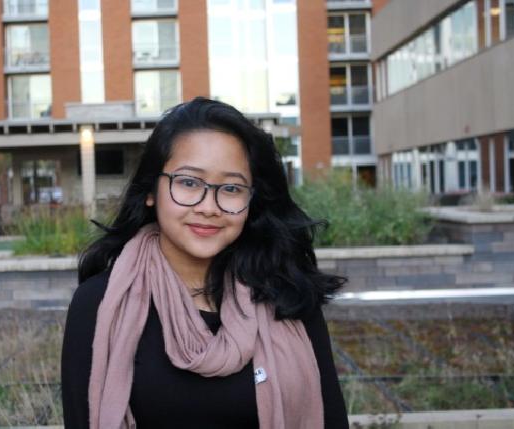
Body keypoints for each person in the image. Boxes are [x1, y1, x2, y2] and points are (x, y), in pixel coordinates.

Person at [61, 97, 349, 429]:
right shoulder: (98, 305)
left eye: (231, 188)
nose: (209, 207)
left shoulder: (286, 292)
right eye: (188, 182)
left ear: (251, 200)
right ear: (151, 190)